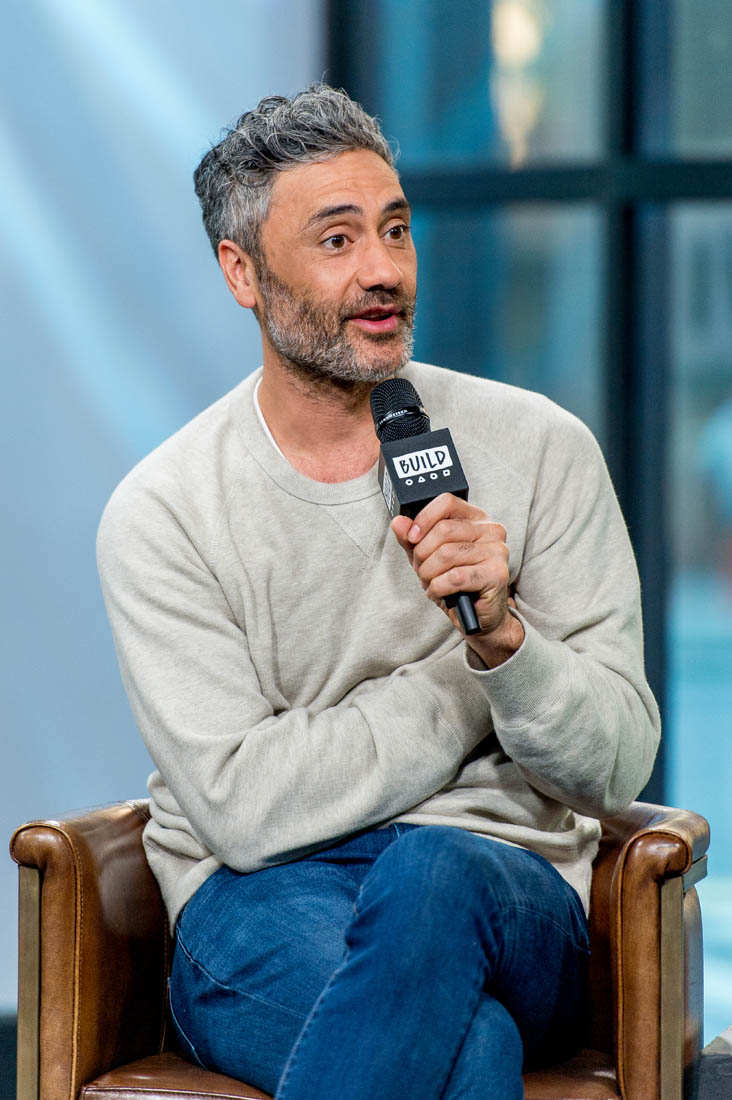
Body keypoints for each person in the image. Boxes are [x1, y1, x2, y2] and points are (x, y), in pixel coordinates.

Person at [97, 85, 660, 1100]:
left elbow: (616, 763)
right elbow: (247, 810)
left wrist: (506, 641)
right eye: (337, 239)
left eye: (396, 230)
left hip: (500, 886)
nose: (384, 270)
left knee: (433, 870)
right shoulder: (165, 510)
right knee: (468, 1051)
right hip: (263, 900)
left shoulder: (541, 447)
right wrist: (467, 682)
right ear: (242, 272)